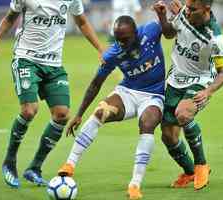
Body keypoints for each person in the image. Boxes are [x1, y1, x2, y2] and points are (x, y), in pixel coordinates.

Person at [0, 0, 104, 188]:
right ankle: (10, 162)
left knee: (62, 114)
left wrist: (100, 48)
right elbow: (9, 18)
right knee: (29, 110)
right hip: (26, 59)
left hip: (54, 65)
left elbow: (82, 22)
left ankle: (34, 168)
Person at [57, 15, 165, 200]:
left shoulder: (151, 30)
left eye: (125, 39)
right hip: (128, 92)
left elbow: (170, 31)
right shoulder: (113, 53)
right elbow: (95, 84)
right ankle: (69, 164)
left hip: (154, 95)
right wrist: (79, 114)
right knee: (101, 112)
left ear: (135, 33)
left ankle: (135, 184)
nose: (121, 44)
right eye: (118, 39)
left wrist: (164, 15)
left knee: (147, 124)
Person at [153, 0, 223, 190]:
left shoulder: (214, 36)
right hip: (175, 80)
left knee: (183, 113)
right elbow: (170, 33)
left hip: (200, 81)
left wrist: (208, 91)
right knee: (168, 136)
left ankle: (201, 164)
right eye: (187, 8)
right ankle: (189, 172)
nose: (187, 12)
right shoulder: (184, 14)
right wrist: (162, 16)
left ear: (206, 9)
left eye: (192, 9)